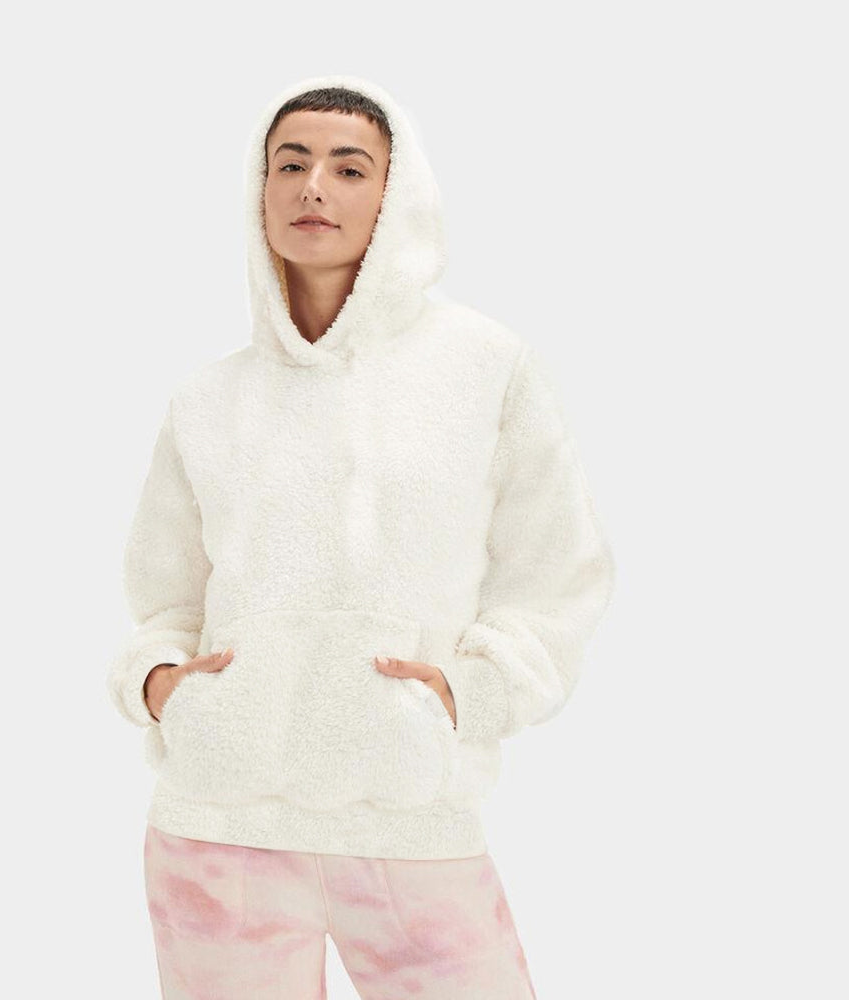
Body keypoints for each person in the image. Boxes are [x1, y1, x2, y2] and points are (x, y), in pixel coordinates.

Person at [107, 73, 615, 999]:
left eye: (349, 168)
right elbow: (164, 595)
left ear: (397, 193)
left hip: (411, 816)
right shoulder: (208, 399)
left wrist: (471, 693)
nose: (314, 188)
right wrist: (161, 683)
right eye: (290, 164)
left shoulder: (485, 368)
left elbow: (559, 573)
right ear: (259, 188)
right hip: (218, 824)